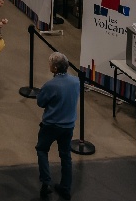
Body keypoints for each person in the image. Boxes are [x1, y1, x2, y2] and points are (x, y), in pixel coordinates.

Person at [35, 52, 80, 200]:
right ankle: (65, 187)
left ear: (54, 68)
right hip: (68, 126)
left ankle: (46, 183)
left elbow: (40, 102)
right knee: (65, 155)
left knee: (42, 150)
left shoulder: (50, 85)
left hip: (51, 126)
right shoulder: (76, 81)